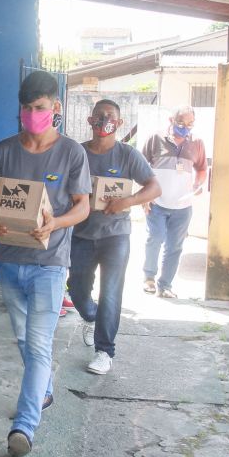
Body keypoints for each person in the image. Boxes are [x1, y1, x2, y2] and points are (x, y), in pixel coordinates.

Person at [0, 71, 91, 457]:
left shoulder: (71, 153)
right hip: (10, 259)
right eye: (26, 108)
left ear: (55, 108)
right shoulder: (3, 151)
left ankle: (24, 426)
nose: (32, 115)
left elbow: (83, 206)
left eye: (39, 108)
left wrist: (54, 223)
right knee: (24, 339)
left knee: (40, 344)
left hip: (50, 262)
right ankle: (43, 390)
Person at [69, 99, 161, 375]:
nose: (104, 120)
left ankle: (104, 351)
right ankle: (90, 315)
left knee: (111, 293)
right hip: (81, 234)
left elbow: (154, 187)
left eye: (110, 116)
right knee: (77, 289)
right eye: (99, 115)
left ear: (119, 123)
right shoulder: (78, 153)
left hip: (115, 235)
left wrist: (128, 201)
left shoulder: (127, 155)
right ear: (89, 120)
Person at [141, 106, 207, 298]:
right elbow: (141, 166)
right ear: (171, 120)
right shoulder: (156, 138)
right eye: (181, 123)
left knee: (175, 246)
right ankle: (149, 278)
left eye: (190, 124)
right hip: (157, 202)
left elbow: (202, 169)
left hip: (183, 206)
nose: (185, 128)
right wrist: (145, 194)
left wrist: (197, 183)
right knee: (155, 238)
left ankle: (165, 285)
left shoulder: (197, 143)